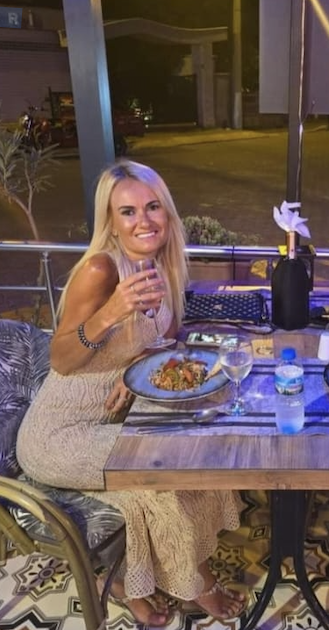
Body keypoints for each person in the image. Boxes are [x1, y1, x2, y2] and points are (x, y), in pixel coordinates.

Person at [16, 159, 246, 626]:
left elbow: (160, 340)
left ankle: (127, 578)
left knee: (198, 454)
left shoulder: (164, 266)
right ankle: (194, 585)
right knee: (158, 481)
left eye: (153, 206)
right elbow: (60, 356)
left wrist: (136, 363)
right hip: (60, 434)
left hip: (117, 419)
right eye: (127, 212)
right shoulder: (102, 270)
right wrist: (111, 311)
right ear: (111, 223)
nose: (144, 220)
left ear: (168, 213)